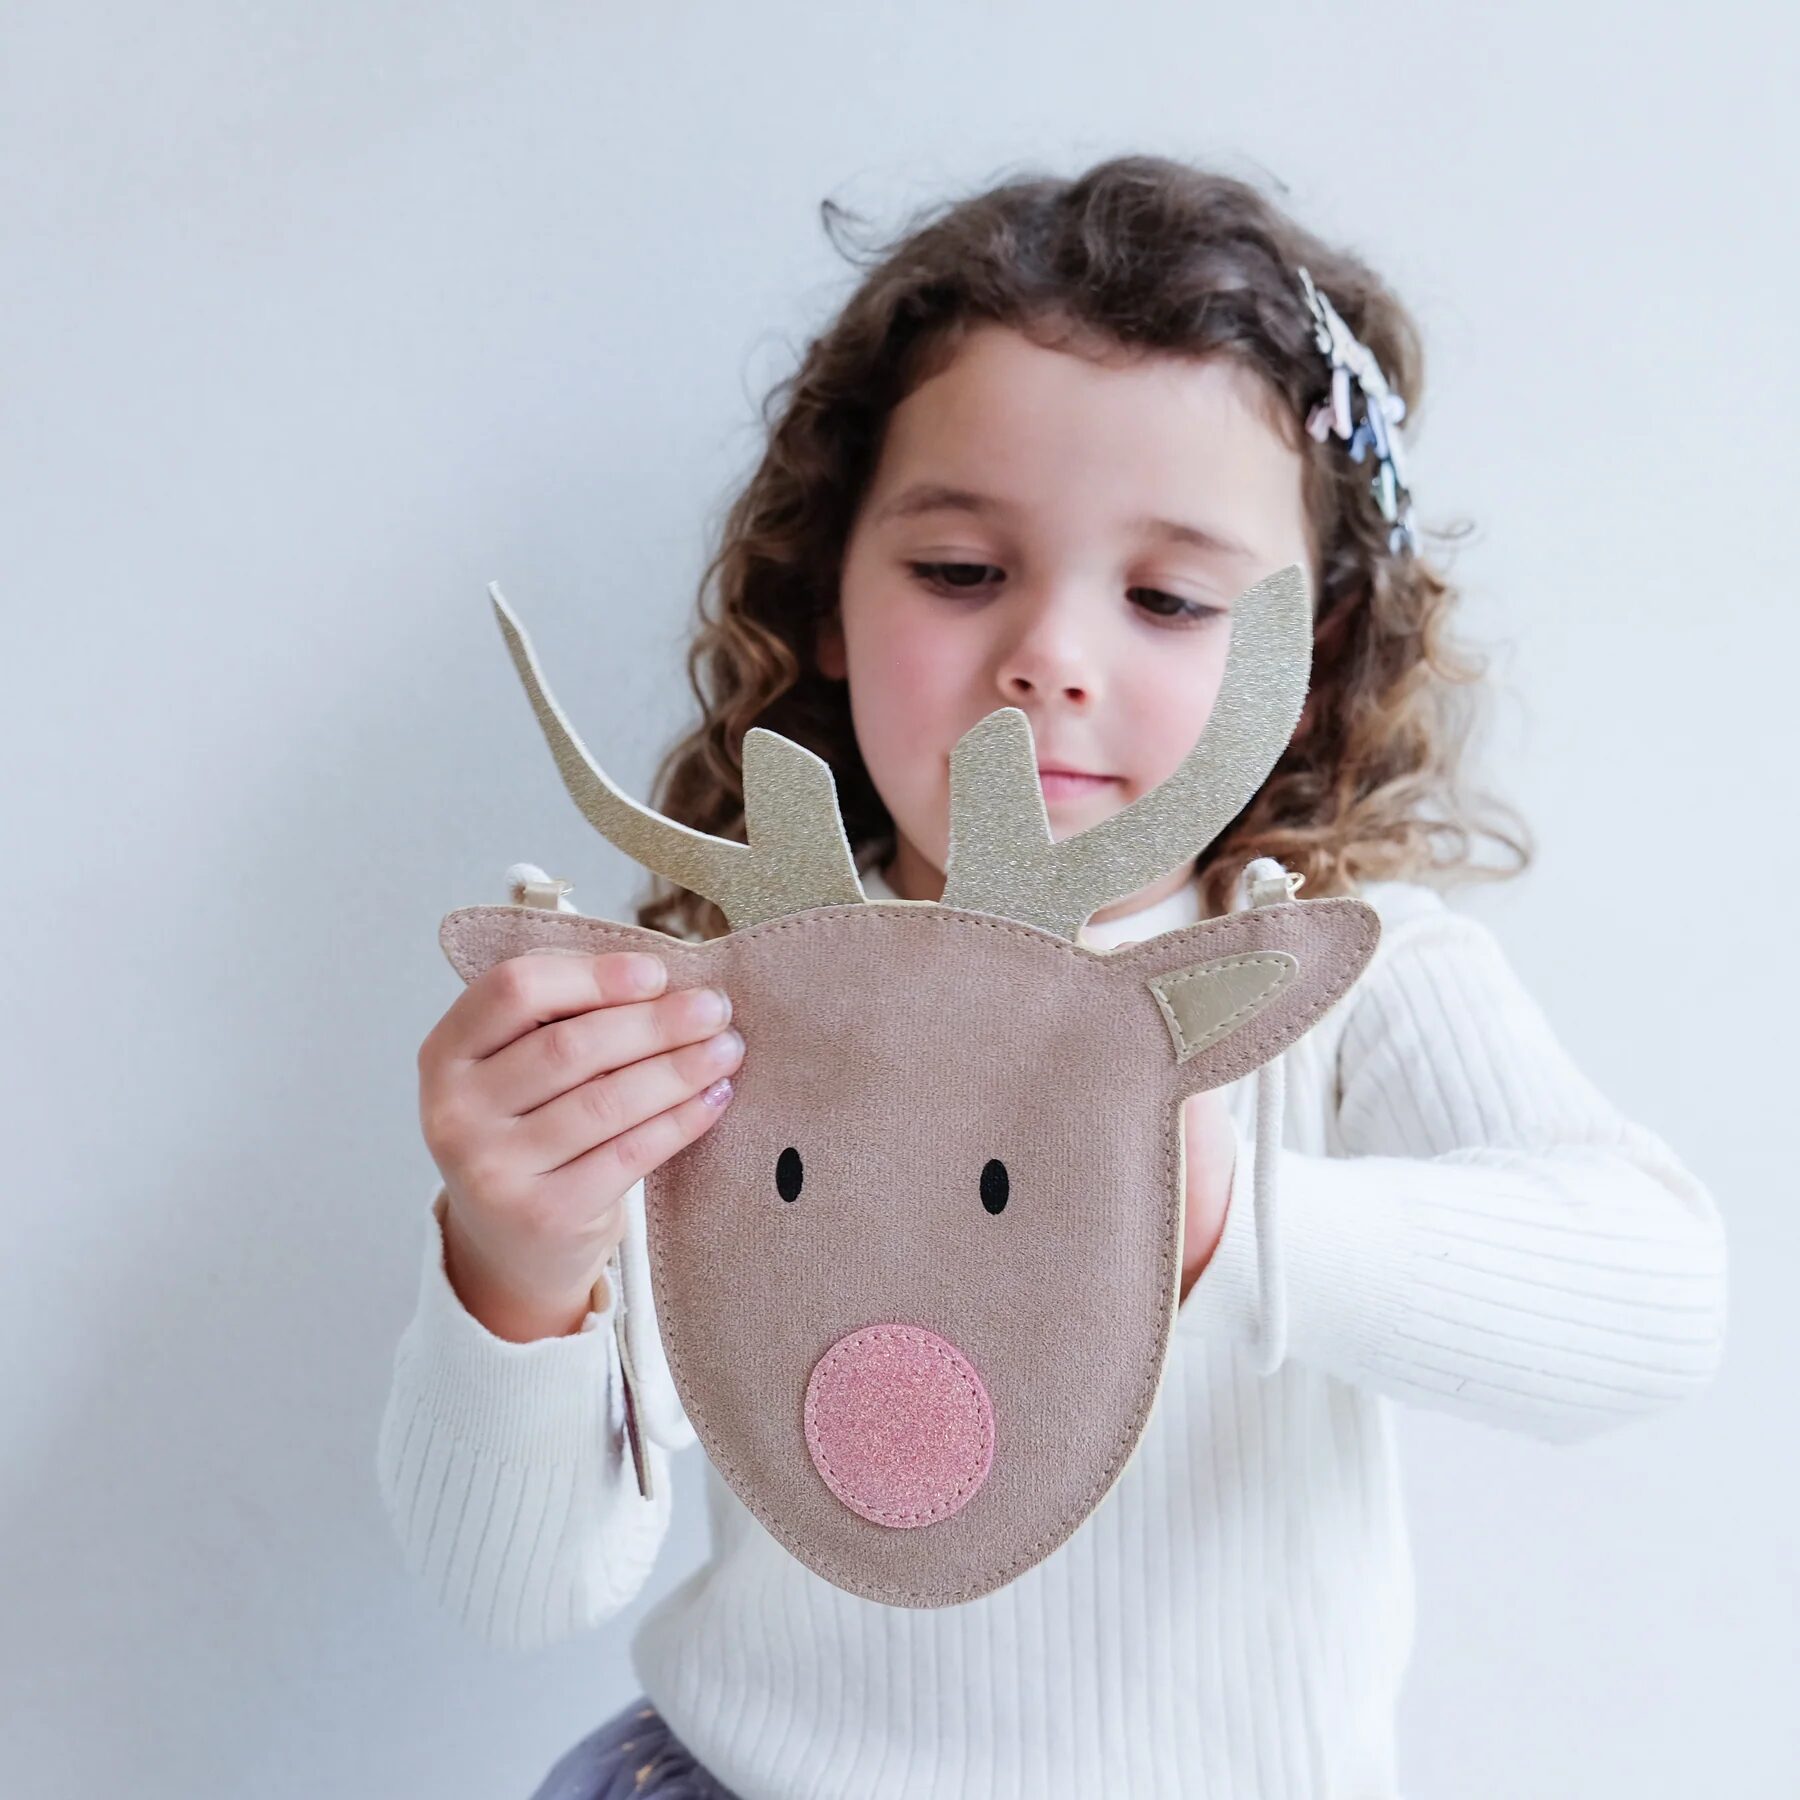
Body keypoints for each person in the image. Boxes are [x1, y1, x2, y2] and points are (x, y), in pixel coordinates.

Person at [377, 155, 1729, 1798]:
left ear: (1305, 666)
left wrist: (1231, 1223)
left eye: (1168, 597)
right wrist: (516, 1261)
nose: (1051, 659)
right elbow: (516, 1587)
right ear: (826, 597)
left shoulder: (1359, 992)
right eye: (961, 572)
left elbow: (1658, 1304)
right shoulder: (728, 1015)